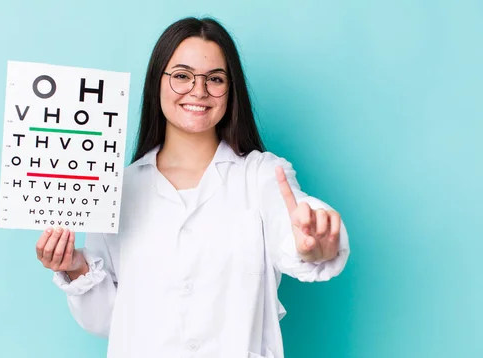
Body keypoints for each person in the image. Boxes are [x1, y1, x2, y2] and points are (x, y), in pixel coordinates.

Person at [35, 16, 350, 358]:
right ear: (158, 81)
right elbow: (108, 322)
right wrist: (75, 269)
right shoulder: (117, 188)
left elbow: (295, 226)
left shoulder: (262, 175)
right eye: (182, 76)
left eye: (214, 79)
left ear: (231, 90)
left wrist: (315, 244)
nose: (198, 91)